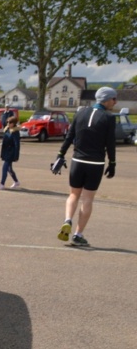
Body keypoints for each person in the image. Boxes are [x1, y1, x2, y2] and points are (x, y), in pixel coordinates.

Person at [54, 86, 118, 247]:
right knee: (87, 199)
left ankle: (67, 219)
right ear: (106, 100)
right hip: (95, 163)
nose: (115, 102)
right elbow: (110, 143)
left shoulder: (80, 112)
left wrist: (61, 155)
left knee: (73, 195)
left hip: (78, 161)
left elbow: (69, 137)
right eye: (113, 99)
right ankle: (78, 234)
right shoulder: (109, 118)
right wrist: (112, 162)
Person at [0, 115, 21, 189]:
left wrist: (16, 156)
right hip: (6, 151)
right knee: (9, 169)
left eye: (10, 122)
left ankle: (2, 184)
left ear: (14, 123)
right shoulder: (7, 130)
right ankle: (16, 181)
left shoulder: (15, 132)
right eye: (7, 122)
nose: (8, 124)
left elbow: (17, 145)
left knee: (5, 167)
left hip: (11, 152)